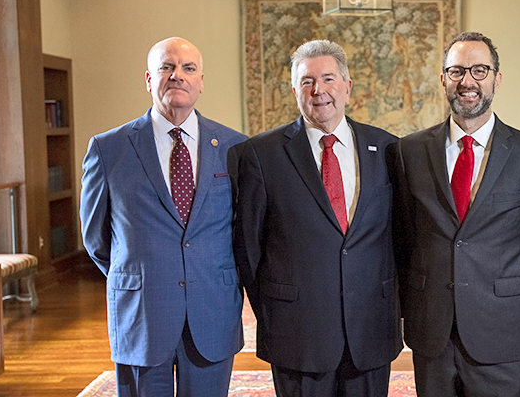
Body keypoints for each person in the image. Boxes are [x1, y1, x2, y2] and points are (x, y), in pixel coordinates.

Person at [230, 39, 401, 396]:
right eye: (307, 81)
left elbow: (402, 236)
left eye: (328, 79)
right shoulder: (260, 154)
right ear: (295, 90)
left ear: (348, 87)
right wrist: (275, 310)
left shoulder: (387, 148)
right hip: (297, 332)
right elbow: (248, 246)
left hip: (370, 327)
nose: (318, 90)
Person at [391, 31, 520, 396]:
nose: (468, 81)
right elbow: (404, 237)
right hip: (433, 329)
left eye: (480, 70)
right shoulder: (409, 152)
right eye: (457, 71)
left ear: (497, 79)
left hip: (503, 329)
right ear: (443, 79)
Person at [79, 37, 247, 396]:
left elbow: (244, 232)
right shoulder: (108, 149)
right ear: (148, 79)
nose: (177, 76)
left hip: (212, 311)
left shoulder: (235, 148)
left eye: (188, 68)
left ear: (201, 81)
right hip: (142, 314)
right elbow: (96, 241)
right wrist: (145, 275)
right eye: (166, 67)